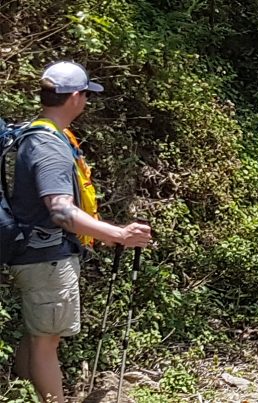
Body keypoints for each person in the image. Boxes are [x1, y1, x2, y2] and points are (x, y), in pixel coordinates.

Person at [10, 61, 152, 403]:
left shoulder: (38, 132)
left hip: (35, 252)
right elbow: (60, 210)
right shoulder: (50, 147)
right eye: (86, 94)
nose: (87, 100)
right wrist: (116, 234)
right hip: (46, 257)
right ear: (75, 96)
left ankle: (18, 389)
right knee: (47, 341)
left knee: (38, 333)